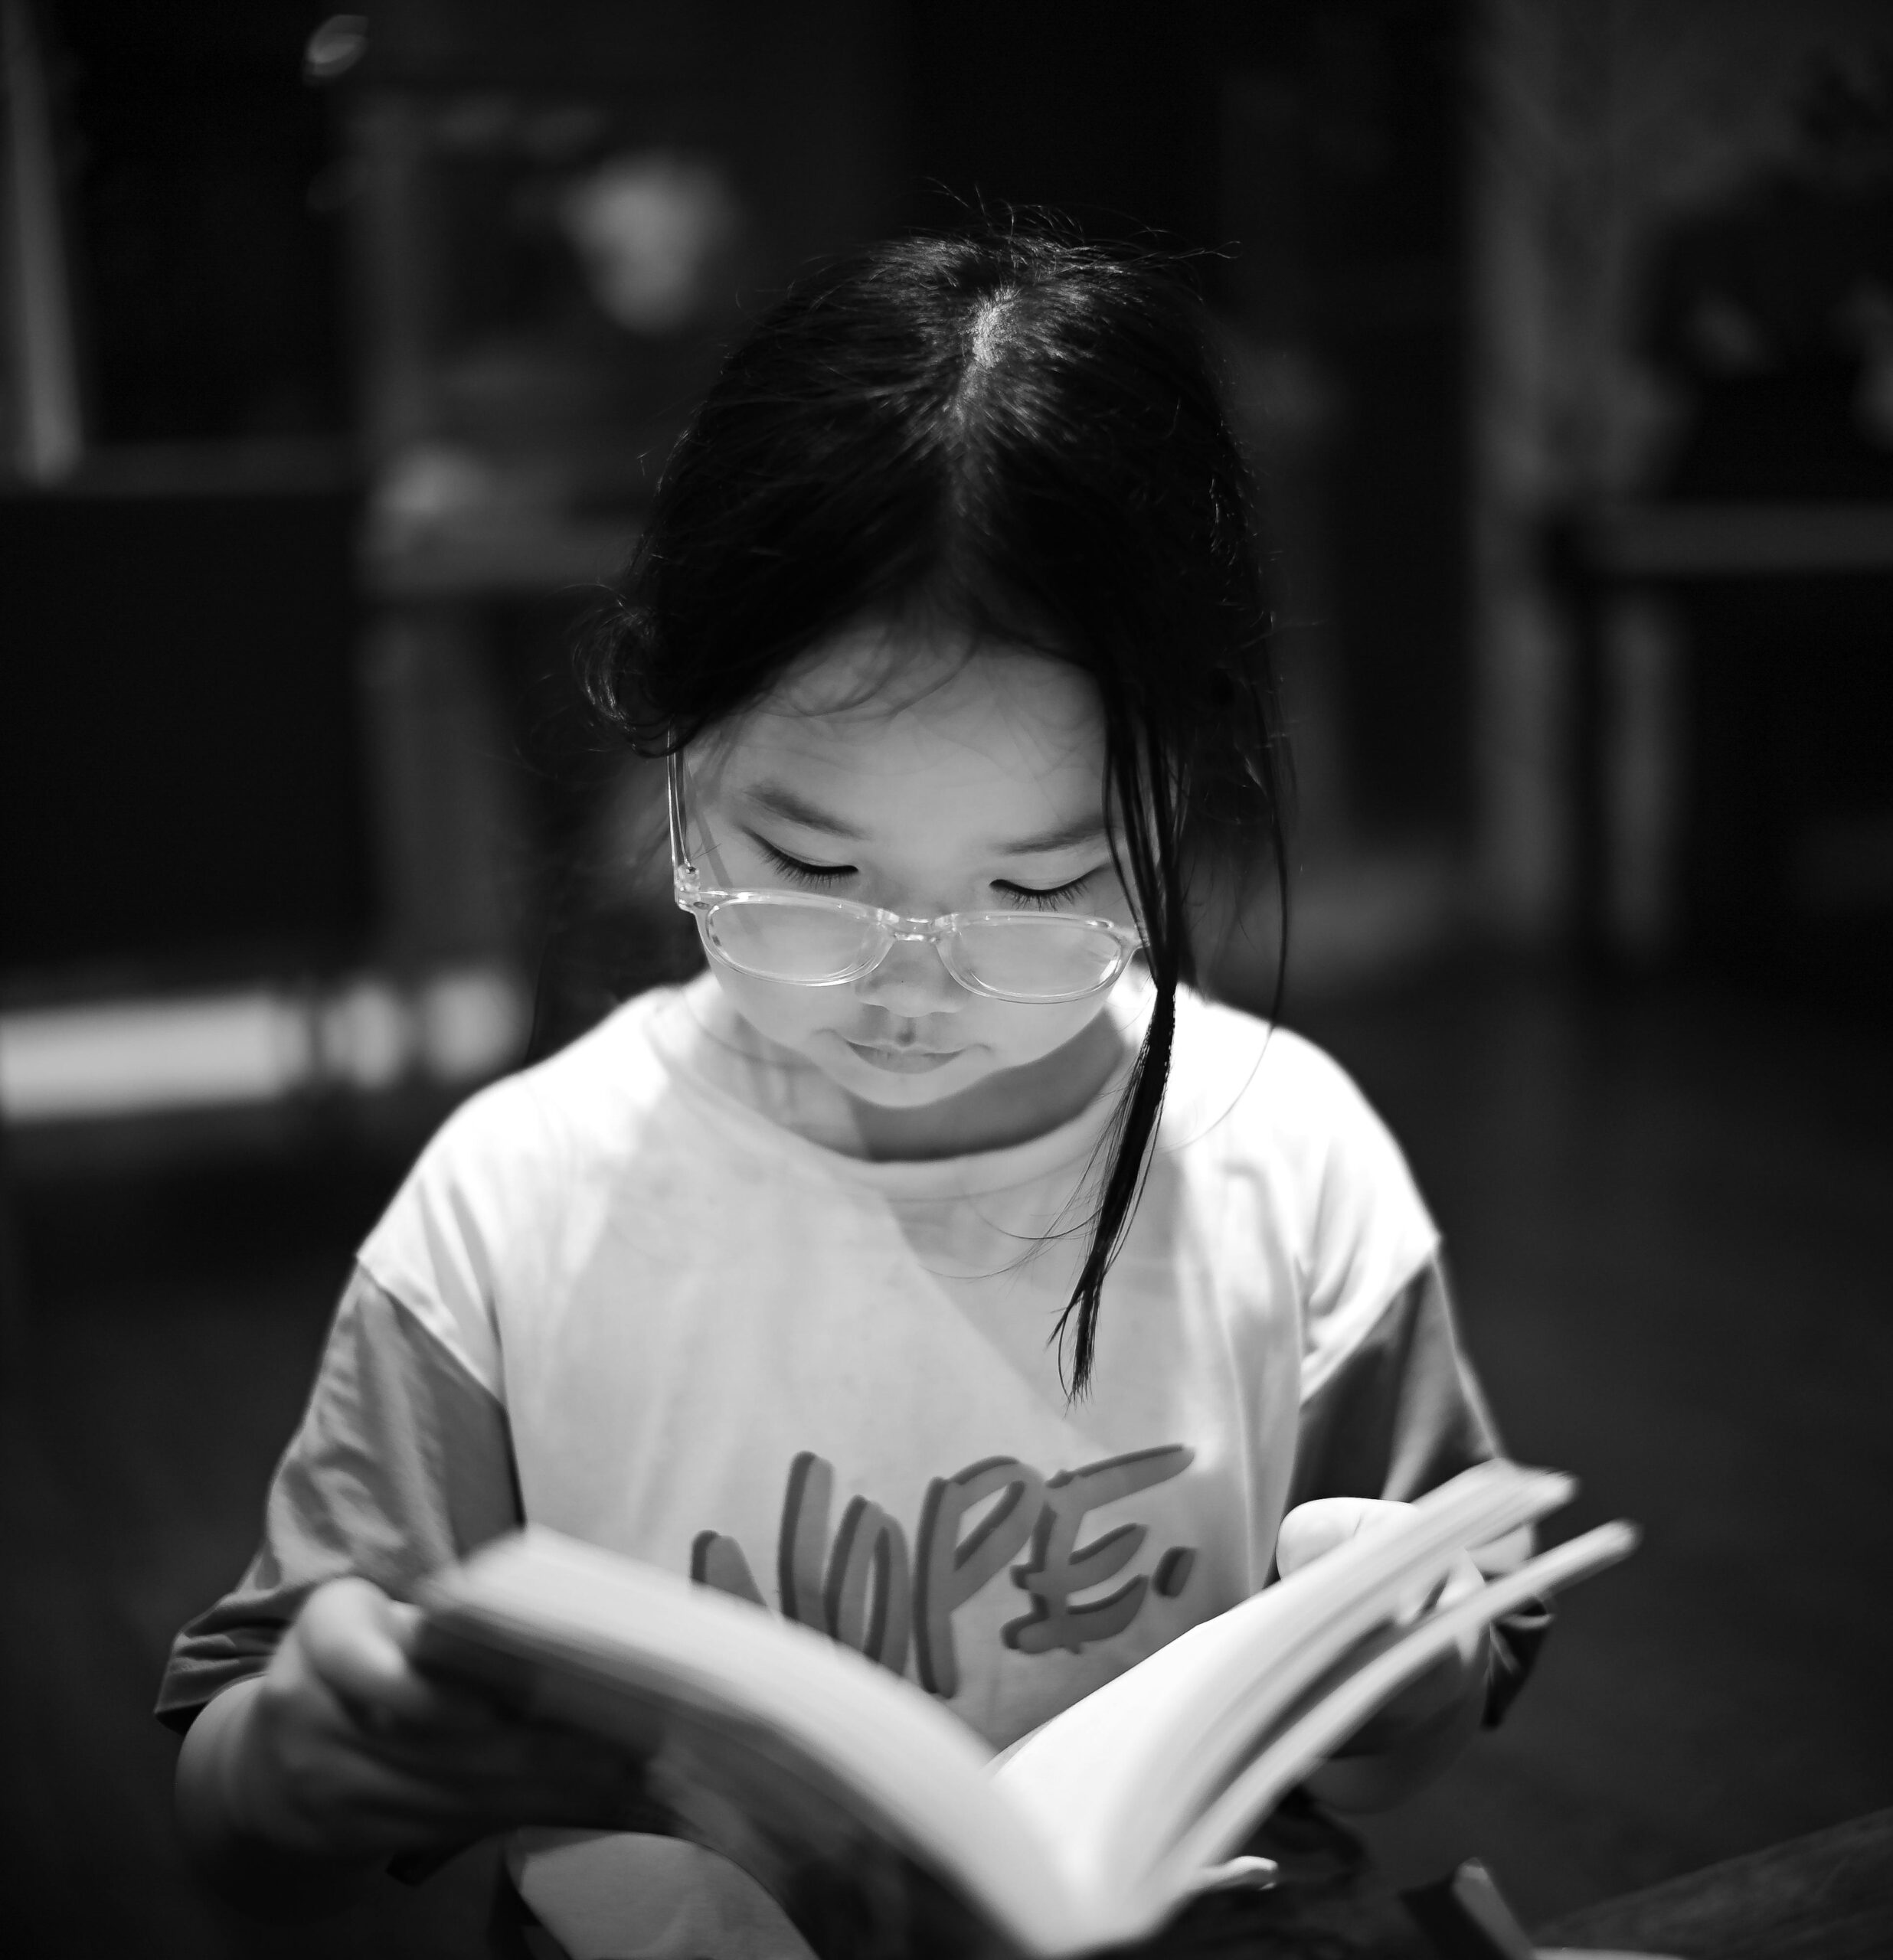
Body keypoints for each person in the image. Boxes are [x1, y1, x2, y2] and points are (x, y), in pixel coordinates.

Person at [159, 227, 1545, 1959]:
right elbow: (241, 1818)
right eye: (807, 866)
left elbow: (1439, 1667)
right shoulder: (517, 1204)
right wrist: (295, 1762)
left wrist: (1406, 1681)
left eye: (1040, 892)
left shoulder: (1286, 1156)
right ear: (669, 739)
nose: (913, 982)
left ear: (1175, 805)